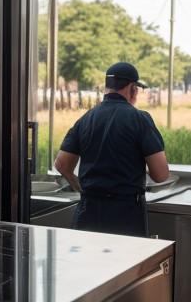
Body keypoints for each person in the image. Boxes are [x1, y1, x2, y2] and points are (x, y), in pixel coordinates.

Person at [55, 62, 170, 237]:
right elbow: (161, 174)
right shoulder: (140, 119)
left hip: (88, 211)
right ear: (133, 89)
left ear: (107, 87)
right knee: (125, 264)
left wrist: (82, 189)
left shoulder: (86, 119)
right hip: (125, 214)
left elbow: (62, 164)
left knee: (90, 263)